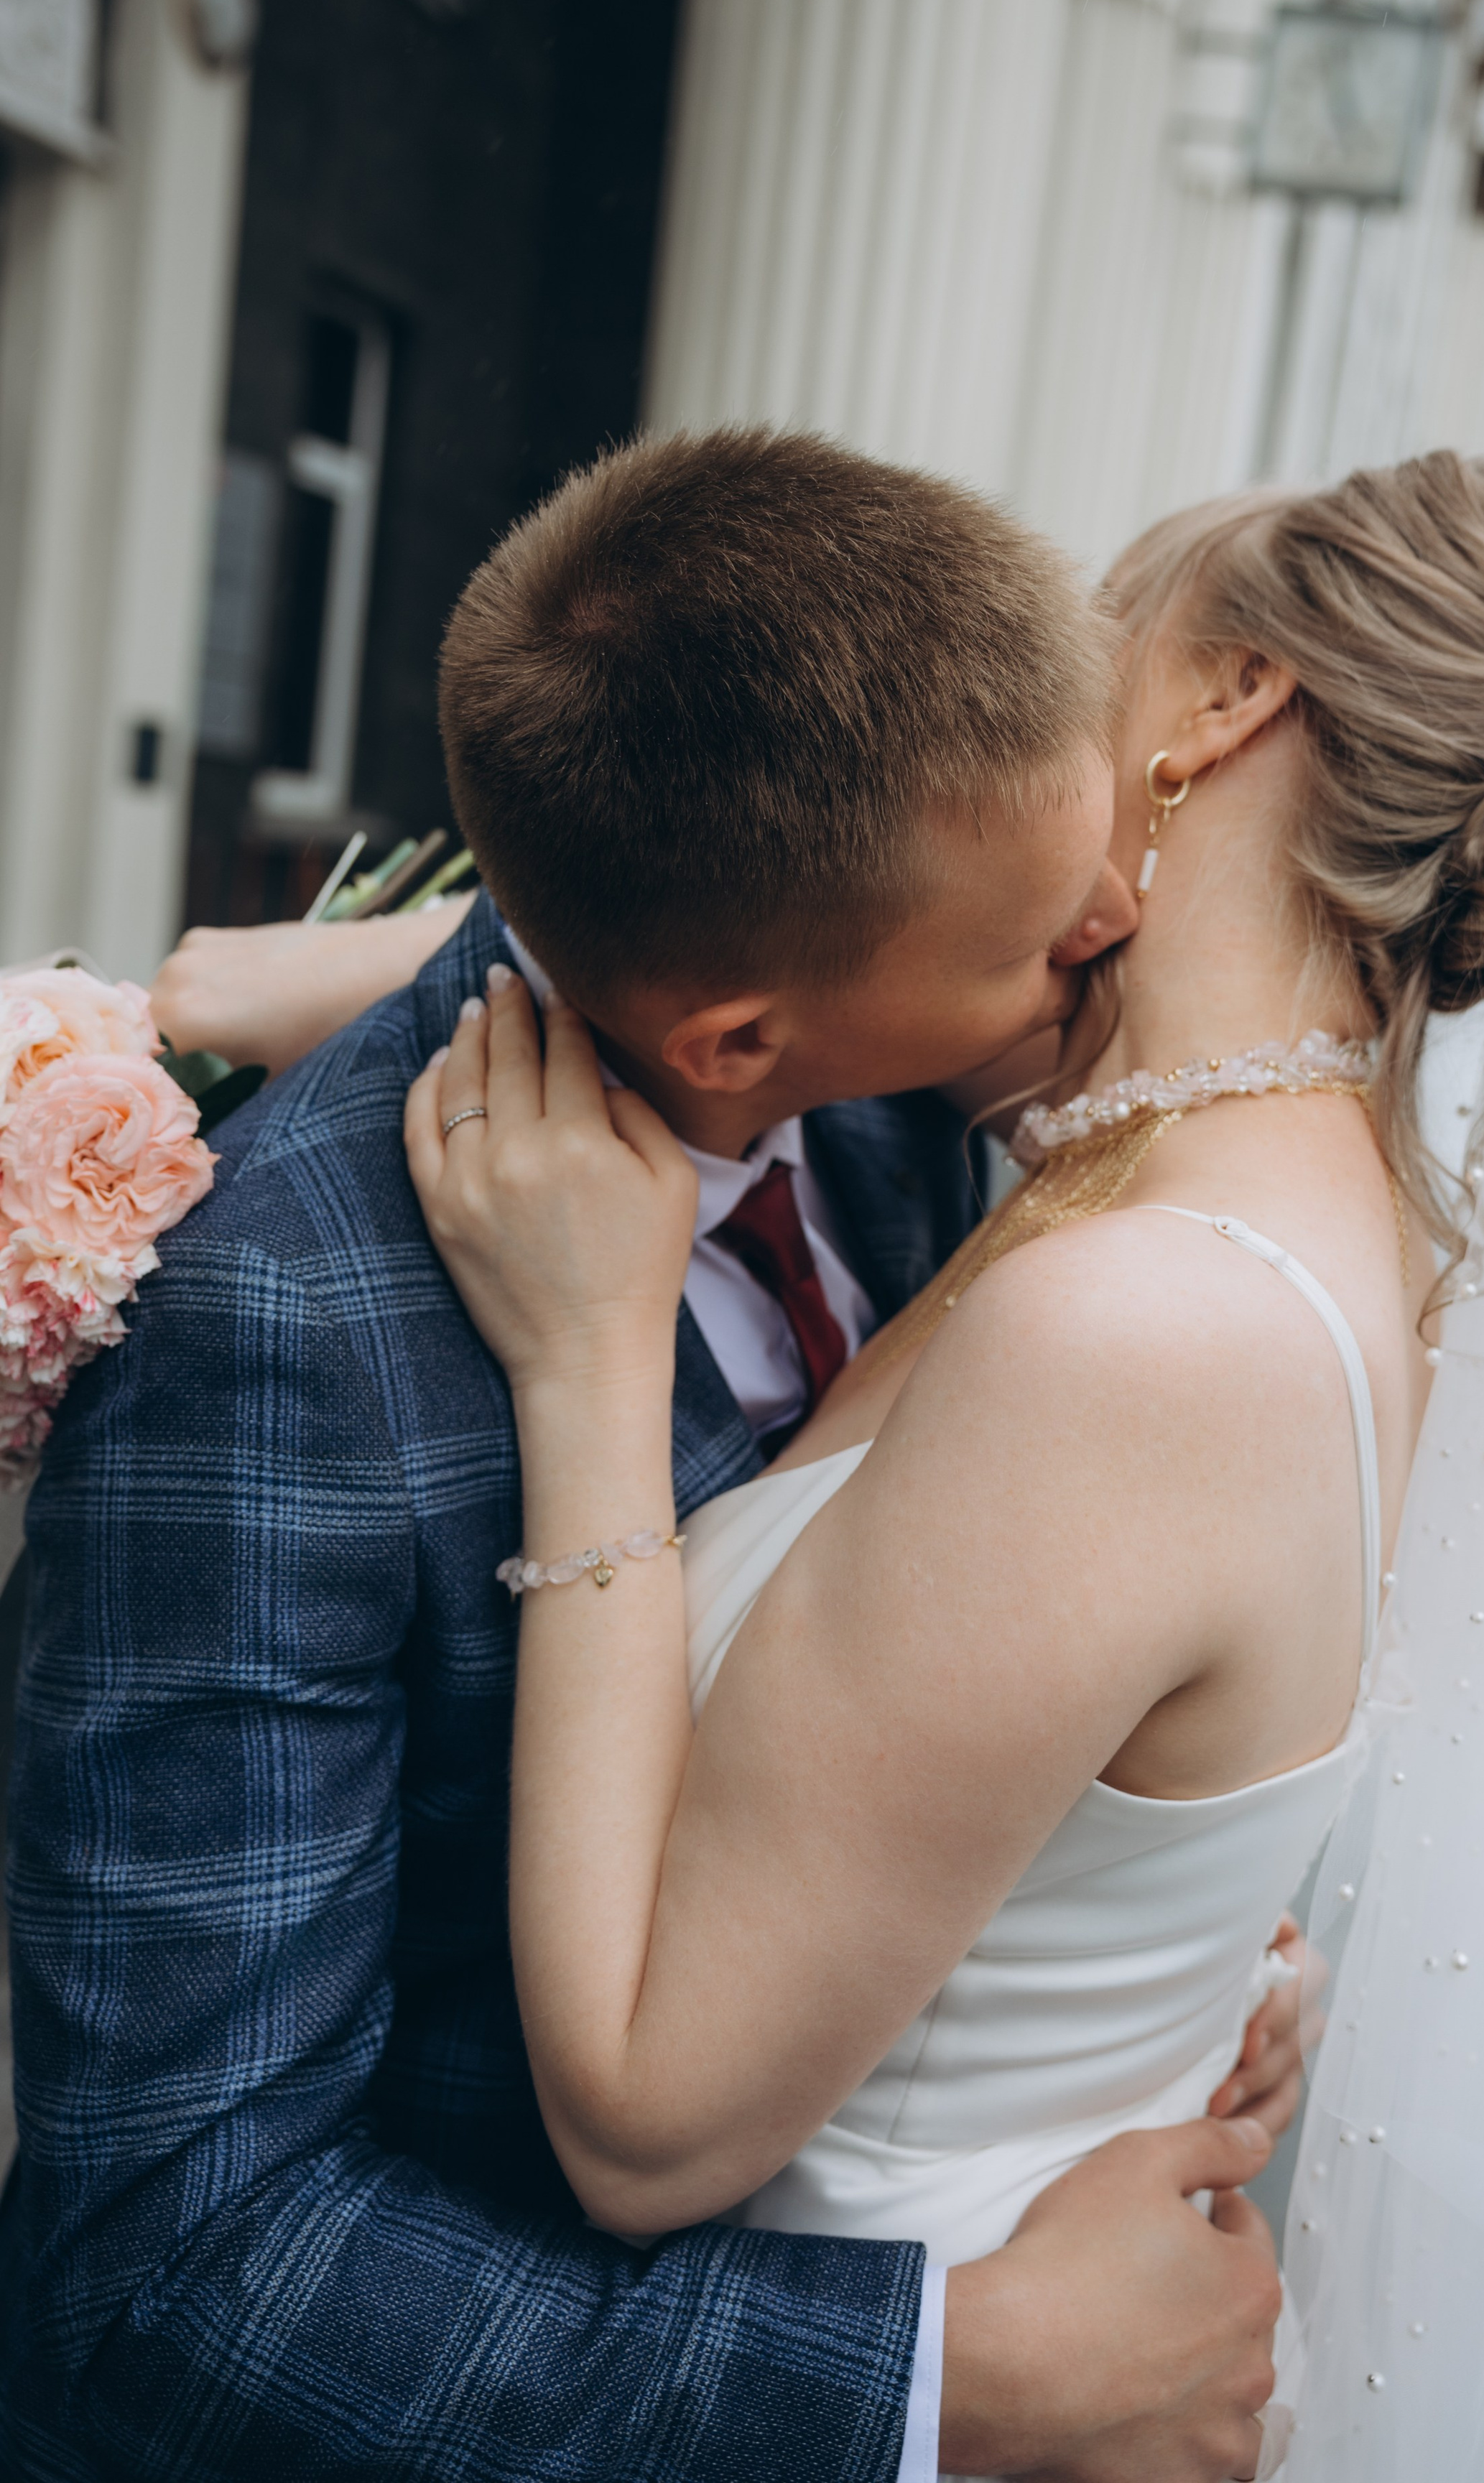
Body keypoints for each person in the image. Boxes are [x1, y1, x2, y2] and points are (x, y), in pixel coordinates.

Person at [391, 451, 1484, 2479]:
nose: (1041, 698)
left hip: (898, 2365)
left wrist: (591, 1368)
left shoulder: (1145, 1327)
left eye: (1095, 637)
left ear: (1227, 700)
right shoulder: (1312, 1231)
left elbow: (647, 2117)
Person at [1, 431, 1304, 2483]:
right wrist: (942, 2377)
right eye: (1049, 923)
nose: (1122, 924)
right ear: (730, 1039)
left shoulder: (899, 1091)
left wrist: (1146, 1943)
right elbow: (172, 2265)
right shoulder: (272, 1354)